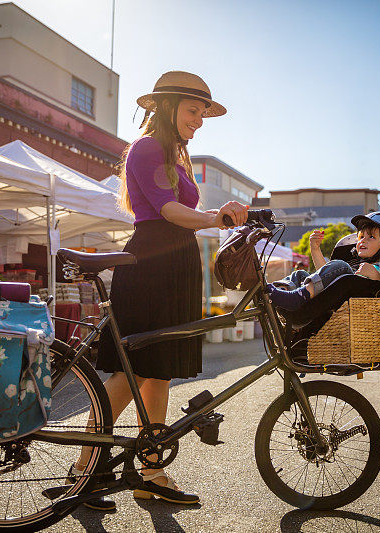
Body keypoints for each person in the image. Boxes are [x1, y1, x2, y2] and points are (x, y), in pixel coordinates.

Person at [72, 71, 248, 510]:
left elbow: (183, 214)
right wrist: (215, 217)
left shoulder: (176, 153)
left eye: (204, 112)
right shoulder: (149, 147)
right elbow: (169, 210)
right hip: (152, 263)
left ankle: (150, 470)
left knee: (159, 371)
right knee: (133, 372)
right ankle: (84, 469)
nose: (200, 120)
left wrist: (219, 221)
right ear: (167, 107)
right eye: (193, 110)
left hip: (174, 263)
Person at [267, 212, 380, 311]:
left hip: (351, 304)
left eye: (371, 237)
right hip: (330, 297)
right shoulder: (354, 263)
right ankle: (274, 294)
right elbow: (324, 278)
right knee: (300, 274)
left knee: (340, 265)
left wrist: (376, 273)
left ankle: (295, 297)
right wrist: (315, 249)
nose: (363, 240)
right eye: (361, 236)